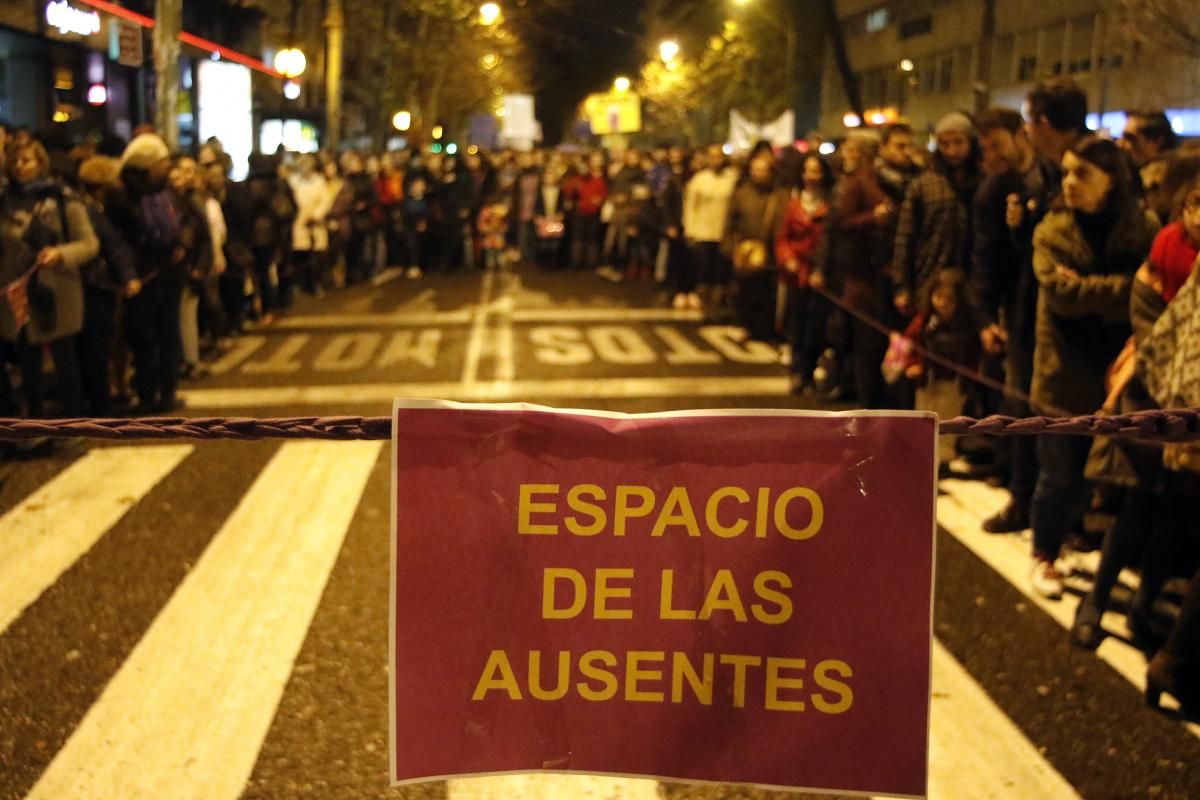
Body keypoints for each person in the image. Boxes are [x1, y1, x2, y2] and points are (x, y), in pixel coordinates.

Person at [1070, 172, 1200, 653]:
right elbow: (1153, 335)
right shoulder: (1163, 254)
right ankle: (1095, 604)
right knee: (1138, 506)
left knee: (1177, 514)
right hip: (1151, 399)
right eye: (1194, 203)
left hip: (1194, 416)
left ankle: (1144, 611)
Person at [1026, 136, 1159, 599]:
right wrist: (1120, 290)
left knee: (1097, 470)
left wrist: (1096, 289)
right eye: (1065, 172)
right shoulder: (1052, 229)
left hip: (1117, 370)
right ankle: (1044, 552)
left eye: (1082, 173)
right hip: (1061, 370)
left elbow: (1150, 291)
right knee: (1058, 472)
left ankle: (1073, 532)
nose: (1069, 183)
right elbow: (1062, 296)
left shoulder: (1141, 227)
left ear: (1113, 179)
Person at [971, 106, 1044, 533]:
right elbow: (985, 258)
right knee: (1021, 405)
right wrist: (985, 317)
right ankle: (1021, 496)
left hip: (1055, 310)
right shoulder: (992, 191)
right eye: (986, 147)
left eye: (997, 144)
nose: (991, 155)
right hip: (1018, 313)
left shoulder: (1050, 177)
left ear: (1021, 134)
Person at [0, 139, 97, 420]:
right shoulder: (5, 200)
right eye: (16, 161)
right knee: (28, 365)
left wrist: (60, 253)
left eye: (27, 160)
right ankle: (35, 426)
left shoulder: (61, 198)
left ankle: (73, 423)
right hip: (17, 295)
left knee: (65, 363)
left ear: (40, 163)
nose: (20, 166)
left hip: (57, 292)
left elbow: (89, 243)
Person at [107, 133, 187, 413]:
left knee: (168, 335)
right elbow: (122, 240)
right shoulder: (123, 197)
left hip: (169, 274)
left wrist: (181, 244)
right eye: (162, 163)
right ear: (147, 165)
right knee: (143, 338)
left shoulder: (165, 193)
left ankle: (167, 393)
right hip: (142, 277)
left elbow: (179, 225)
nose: (167, 169)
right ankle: (147, 395)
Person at [815, 130, 892, 407]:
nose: (845, 153)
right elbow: (837, 226)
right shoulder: (853, 183)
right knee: (853, 334)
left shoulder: (868, 180)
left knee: (863, 336)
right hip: (851, 269)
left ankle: (861, 391)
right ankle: (854, 388)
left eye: (849, 148)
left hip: (864, 270)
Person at [892, 111, 982, 317]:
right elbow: (905, 238)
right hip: (929, 278)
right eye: (944, 144)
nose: (952, 151)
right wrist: (901, 286)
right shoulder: (923, 184)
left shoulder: (984, 181)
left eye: (958, 142)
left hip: (972, 281)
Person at [75, 156, 139, 416]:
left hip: (95, 284)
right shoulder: (91, 210)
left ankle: (100, 398)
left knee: (98, 345)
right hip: (96, 286)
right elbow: (113, 246)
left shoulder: (93, 207)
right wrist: (128, 276)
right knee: (97, 345)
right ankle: (100, 404)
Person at [902, 267, 979, 472]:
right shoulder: (925, 321)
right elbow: (909, 343)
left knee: (949, 420)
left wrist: (970, 377)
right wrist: (912, 365)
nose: (943, 303)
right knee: (923, 418)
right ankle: (923, 458)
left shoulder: (965, 326)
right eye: (939, 296)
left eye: (949, 299)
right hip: (928, 382)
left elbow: (972, 354)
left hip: (953, 384)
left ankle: (942, 460)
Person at [775, 154, 834, 394]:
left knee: (816, 326)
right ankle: (798, 372)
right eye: (808, 171)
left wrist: (821, 269)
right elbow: (782, 238)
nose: (811, 176)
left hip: (820, 274)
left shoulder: (830, 203)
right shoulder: (792, 202)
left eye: (816, 171)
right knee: (796, 324)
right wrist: (788, 259)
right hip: (795, 273)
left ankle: (809, 372)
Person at [725, 154, 789, 340]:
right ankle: (745, 324)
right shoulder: (742, 193)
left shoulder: (780, 195)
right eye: (755, 170)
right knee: (746, 291)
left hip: (771, 252)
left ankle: (764, 328)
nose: (758, 174)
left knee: (768, 293)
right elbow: (730, 222)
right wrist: (730, 247)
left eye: (762, 170)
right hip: (747, 251)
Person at [682, 145, 737, 312]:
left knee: (721, 272)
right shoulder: (699, 179)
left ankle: (718, 305)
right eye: (712, 156)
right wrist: (689, 229)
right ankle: (705, 304)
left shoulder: (732, 178)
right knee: (704, 270)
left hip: (723, 233)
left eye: (718, 156)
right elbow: (690, 205)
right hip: (702, 232)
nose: (716, 160)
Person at [1120, 111, 1179, 223]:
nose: (1120, 143)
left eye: (1130, 138)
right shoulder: (1134, 173)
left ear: (1157, 141)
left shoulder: (1169, 179)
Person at [287, 154, 332, 299]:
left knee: (316, 256)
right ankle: (300, 284)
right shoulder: (293, 182)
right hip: (298, 222)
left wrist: (317, 215)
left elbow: (325, 201)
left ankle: (315, 283)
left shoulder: (319, 182)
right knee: (300, 254)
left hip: (314, 223)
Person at [568, 152, 608, 270]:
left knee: (591, 240)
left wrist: (600, 200)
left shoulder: (598, 180)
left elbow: (603, 194)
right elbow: (569, 192)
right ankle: (576, 262)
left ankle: (590, 263)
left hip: (593, 213)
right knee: (578, 240)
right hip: (579, 213)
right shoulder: (577, 180)